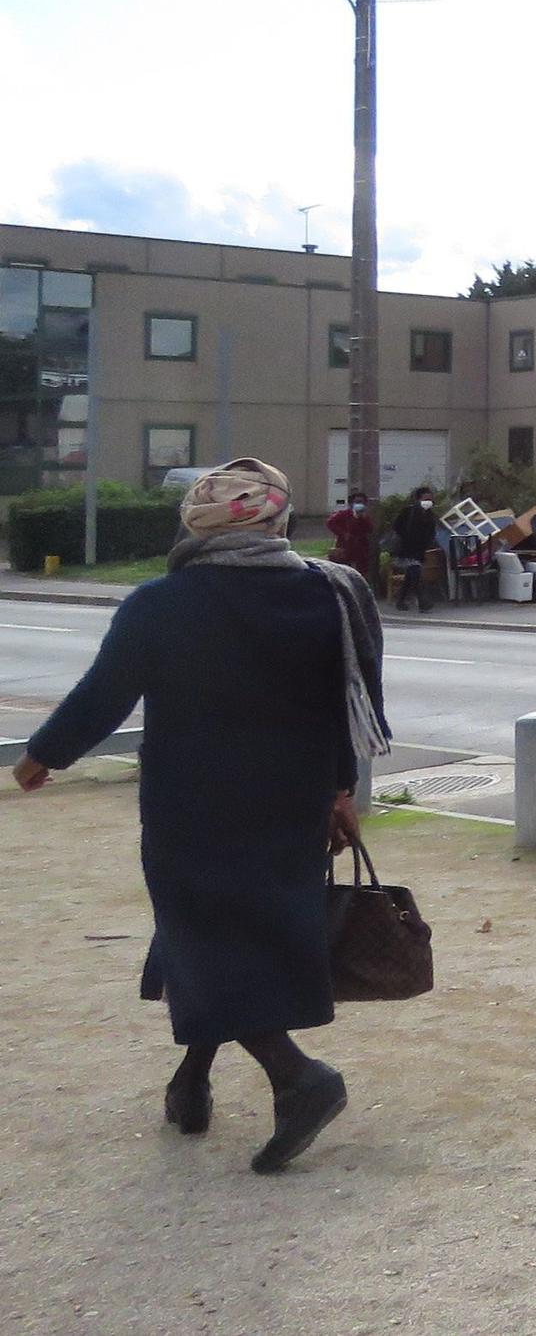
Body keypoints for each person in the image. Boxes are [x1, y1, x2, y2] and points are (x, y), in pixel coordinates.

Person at [12, 457, 390, 1176]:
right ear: (279, 520)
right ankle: (191, 1082)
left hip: (195, 802)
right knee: (224, 935)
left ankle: (299, 1078)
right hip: (291, 801)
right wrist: (340, 790)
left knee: (205, 937)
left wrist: (43, 754)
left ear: (194, 523)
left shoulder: (162, 602)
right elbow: (340, 704)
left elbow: (104, 695)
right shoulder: (326, 594)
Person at [389, 487, 440, 612]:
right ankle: (423, 602)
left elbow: (431, 534)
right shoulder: (408, 511)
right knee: (415, 573)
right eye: (426, 499)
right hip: (404, 550)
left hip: (418, 551)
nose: (429, 501)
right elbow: (397, 527)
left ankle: (401, 600)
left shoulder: (430, 516)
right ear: (418, 499)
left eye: (430, 499)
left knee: (411, 576)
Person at [324, 490, 375, 590]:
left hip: (361, 545)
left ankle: (361, 588)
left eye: (362, 502)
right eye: (357, 502)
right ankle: (344, 587)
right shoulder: (344, 514)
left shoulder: (365, 516)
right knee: (344, 568)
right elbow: (330, 523)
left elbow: (370, 529)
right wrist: (342, 533)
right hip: (345, 545)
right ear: (351, 503)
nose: (359, 504)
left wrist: (363, 518)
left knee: (362, 568)